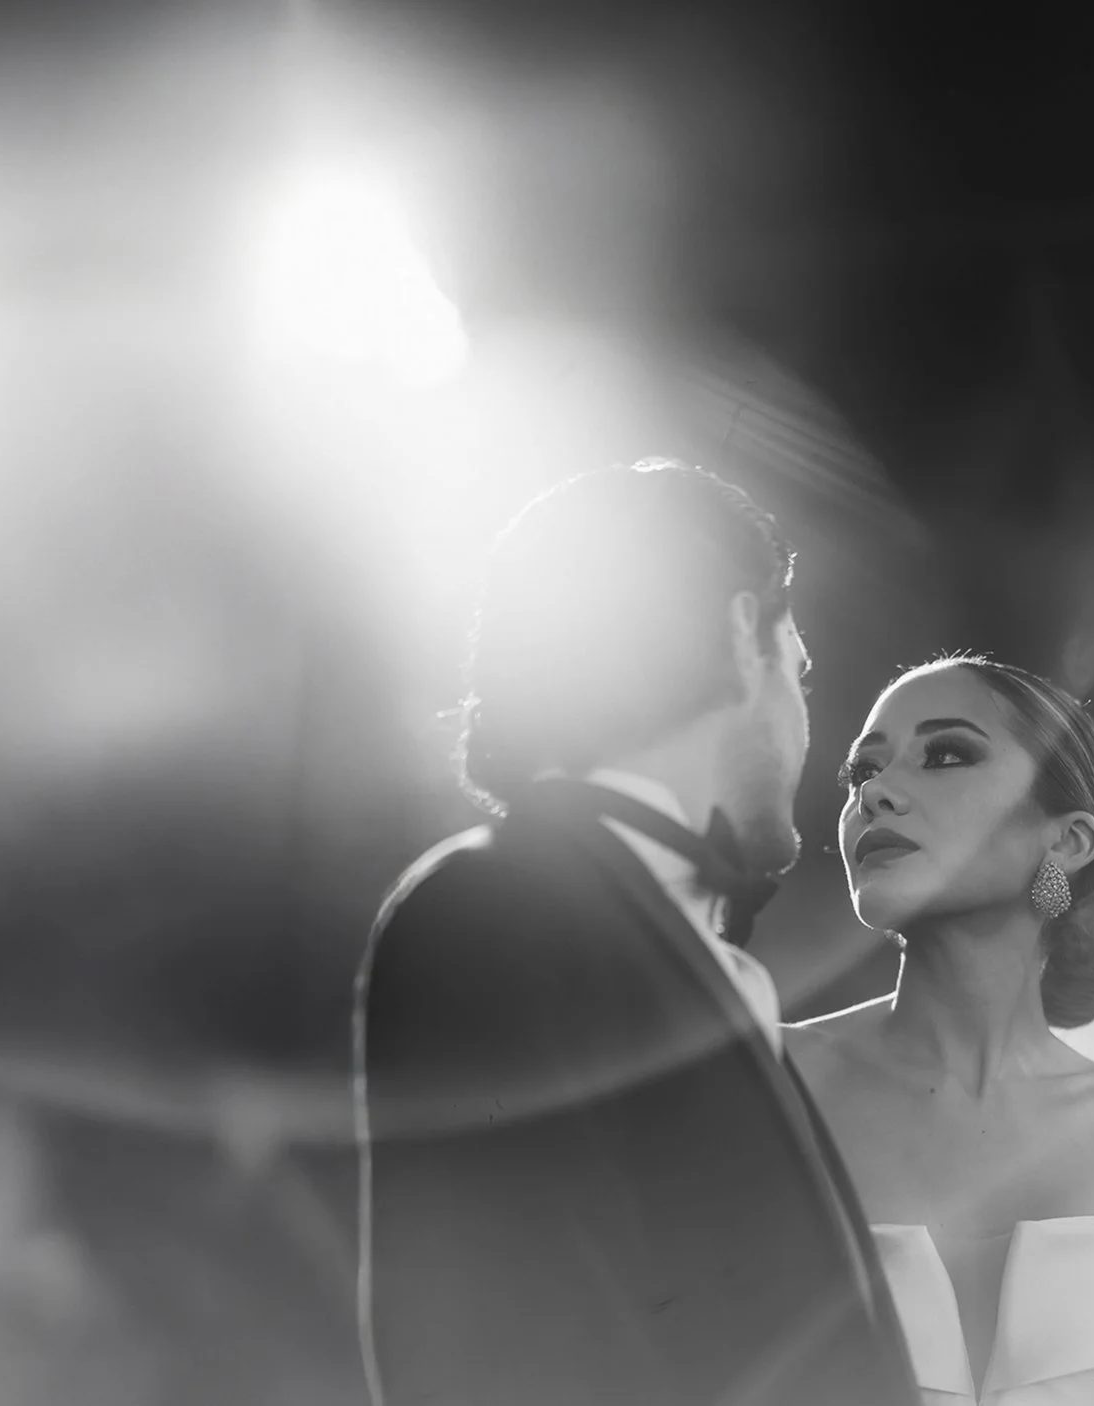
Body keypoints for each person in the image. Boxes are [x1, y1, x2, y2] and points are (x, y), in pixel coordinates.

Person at [354, 461, 919, 1406]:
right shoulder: (494, 912)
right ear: (746, 637)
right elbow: (502, 1355)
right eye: (802, 672)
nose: (806, 729)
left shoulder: (671, 940)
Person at [789, 655, 1094, 1406]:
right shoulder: (771, 1079)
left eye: (946, 754)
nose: (876, 794)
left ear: (1069, 841)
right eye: (862, 773)